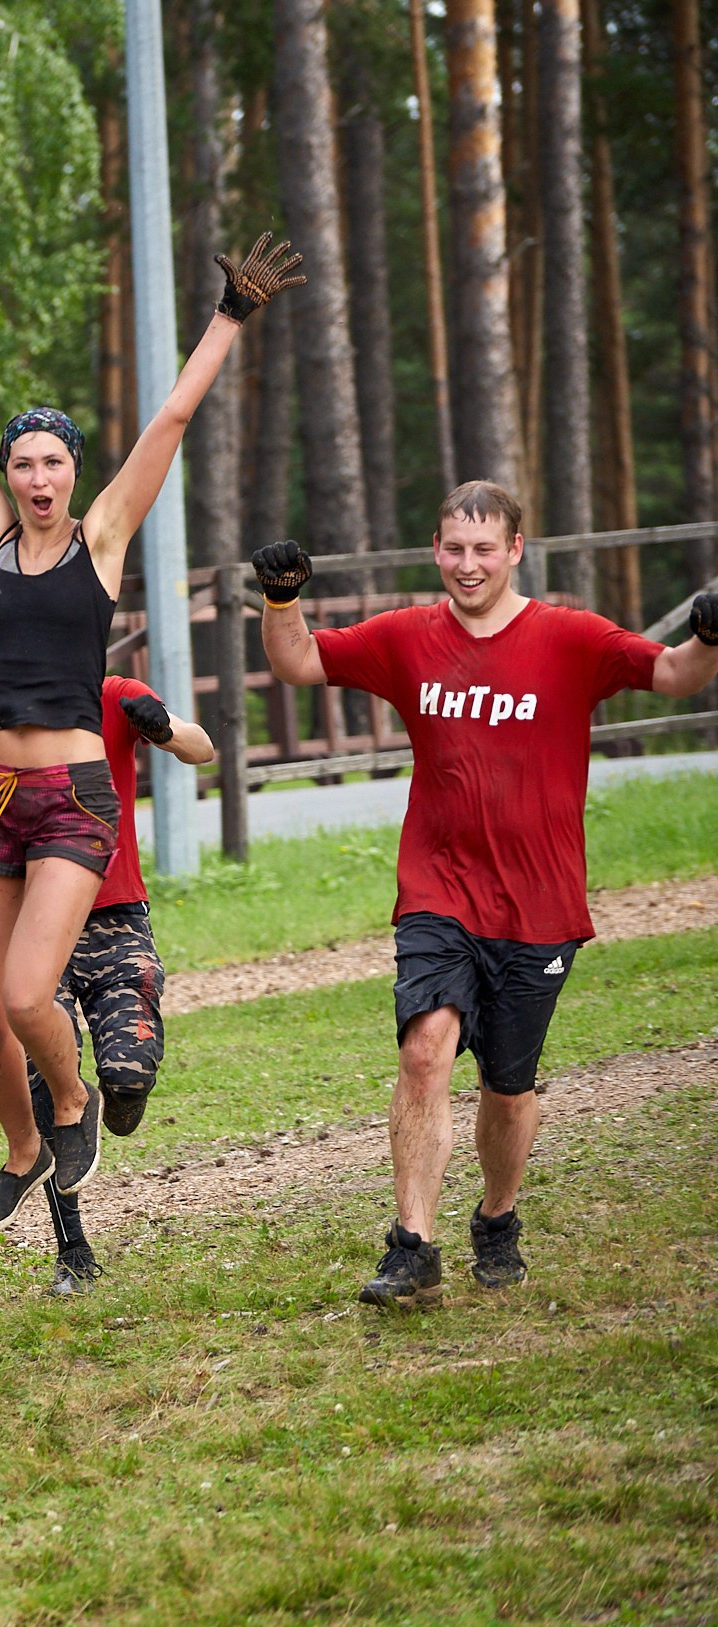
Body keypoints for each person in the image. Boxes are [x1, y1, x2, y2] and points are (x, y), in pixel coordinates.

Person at [0, 209, 299, 1235]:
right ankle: (24, 1147)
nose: (36, 478)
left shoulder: (103, 539)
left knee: (28, 997)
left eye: (52, 462)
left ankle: (70, 1105)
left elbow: (170, 419)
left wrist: (228, 314)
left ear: (74, 470)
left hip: (71, 799)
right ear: (7, 475)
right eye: (22, 463)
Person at [255, 481, 718, 1307]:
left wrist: (708, 636)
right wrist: (281, 599)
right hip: (438, 889)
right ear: (435, 550)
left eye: (484, 549)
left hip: (539, 904)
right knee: (424, 1050)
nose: (468, 565)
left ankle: (497, 1216)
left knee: (508, 1087)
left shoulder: (572, 637)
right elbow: (298, 661)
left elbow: (677, 674)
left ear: (514, 551)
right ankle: (412, 1248)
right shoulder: (405, 637)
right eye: (454, 549)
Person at [0, 679, 216, 1290]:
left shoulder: (114, 695)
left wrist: (163, 729)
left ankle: (120, 1094)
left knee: (128, 1075)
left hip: (116, 920)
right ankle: (73, 1249)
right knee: (46, 1083)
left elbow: (202, 748)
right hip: (36, 926)